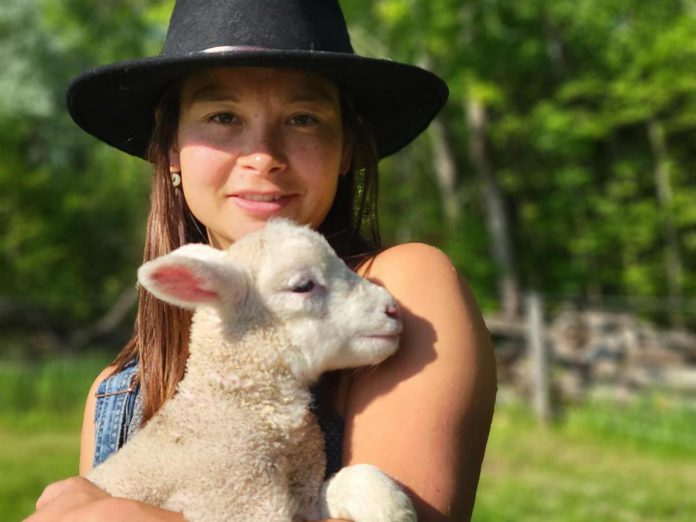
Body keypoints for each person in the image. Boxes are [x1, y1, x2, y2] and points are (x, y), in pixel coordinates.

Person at [26, 0, 497, 520]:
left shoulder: (405, 288)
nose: (263, 153)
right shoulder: (117, 391)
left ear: (345, 149)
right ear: (173, 152)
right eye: (222, 116)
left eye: (303, 117)